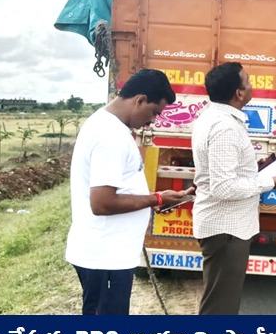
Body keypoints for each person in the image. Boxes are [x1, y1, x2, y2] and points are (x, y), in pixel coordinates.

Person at [65, 68, 195, 315]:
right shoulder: (110, 135)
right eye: (154, 112)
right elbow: (102, 203)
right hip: (104, 257)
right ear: (140, 100)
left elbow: (116, 190)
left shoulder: (109, 126)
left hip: (110, 255)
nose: (154, 121)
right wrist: (155, 198)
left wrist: (153, 201)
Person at [191, 62, 276, 314]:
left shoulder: (216, 118)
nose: (252, 86)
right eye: (248, 81)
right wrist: (271, 181)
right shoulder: (224, 127)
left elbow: (230, 172)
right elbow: (224, 187)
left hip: (227, 227)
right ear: (238, 93)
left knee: (221, 303)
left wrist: (269, 166)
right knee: (220, 308)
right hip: (226, 229)